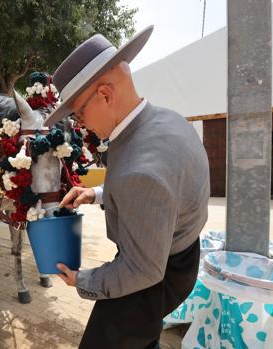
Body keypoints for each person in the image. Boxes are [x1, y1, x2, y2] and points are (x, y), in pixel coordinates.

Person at [43, 26, 210, 349]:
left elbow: (141, 270)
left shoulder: (140, 172)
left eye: (79, 112)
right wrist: (98, 193)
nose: (81, 124)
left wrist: (82, 280)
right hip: (176, 253)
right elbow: (160, 192)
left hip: (155, 273)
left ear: (105, 95)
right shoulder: (169, 120)